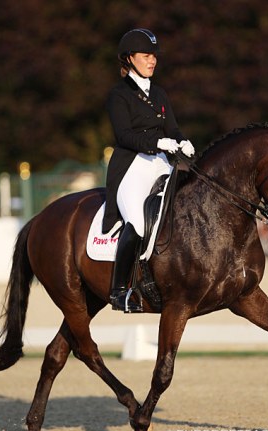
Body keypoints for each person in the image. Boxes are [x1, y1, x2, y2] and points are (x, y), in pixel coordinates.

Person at [104, 28, 195, 312]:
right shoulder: (119, 95)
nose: (152, 61)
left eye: (154, 56)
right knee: (139, 222)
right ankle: (119, 292)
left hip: (160, 163)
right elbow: (124, 136)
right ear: (130, 59)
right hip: (132, 166)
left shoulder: (159, 93)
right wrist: (159, 141)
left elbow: (174, 128)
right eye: (146, 56)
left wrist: (182, 141)